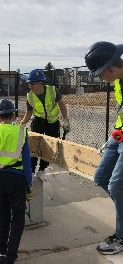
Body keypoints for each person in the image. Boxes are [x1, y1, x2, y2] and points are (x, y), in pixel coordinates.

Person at [0, 99, 32, 264]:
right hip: (18, 179)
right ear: (14, 114)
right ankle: (10, 256)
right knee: (18, 218)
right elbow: (27, 162)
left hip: (2, 178)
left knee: (4, 216)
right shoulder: (22, 132)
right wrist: (29, 185)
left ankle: (2, 252)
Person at [85, 41, 123, 255]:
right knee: (101, 178)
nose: (100, 79)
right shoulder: (119, 81)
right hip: (120, 136)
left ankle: (122, 235)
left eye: (100, 74)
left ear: (110, 68)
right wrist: (114, 136)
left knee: (117, 187)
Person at [19, 69, 70, 181]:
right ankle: (31, 171)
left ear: (40, 82)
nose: (30, 85)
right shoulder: (30, 96)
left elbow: (61, 104)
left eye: (32, 83)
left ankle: (42, 170)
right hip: (38, 122)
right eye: (29, 83)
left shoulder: (52, 91)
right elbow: (28, 113)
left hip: (52, 123)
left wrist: (65, 119)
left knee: (49, 147)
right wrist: (21, 125)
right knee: (34, 146)